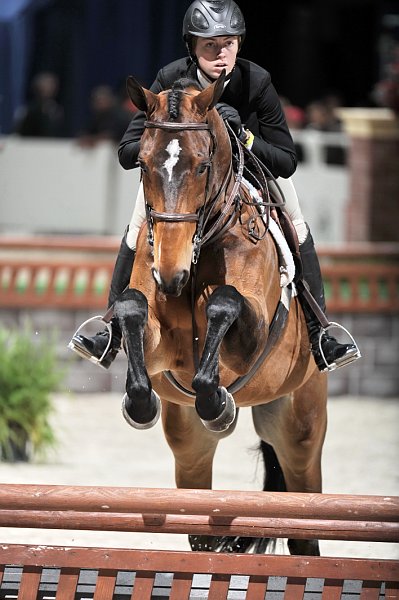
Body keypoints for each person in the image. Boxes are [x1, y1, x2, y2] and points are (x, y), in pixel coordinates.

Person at [69, 0, 360, 372]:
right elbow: (128, 151)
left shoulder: (257, 81)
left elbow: (287, 160)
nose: (223, 54)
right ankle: (109, 328)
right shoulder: (170, 79)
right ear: (192, 47)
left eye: (230, 43)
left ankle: (322, 331)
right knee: (137, 219)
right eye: (211, 45)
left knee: (295, 217)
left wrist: (245, 136)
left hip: (249, 172)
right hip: (182, 180)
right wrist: (162, 139)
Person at [14, 71, 66, 138]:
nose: (49, 89)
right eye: (45, 86)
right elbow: (19, 133)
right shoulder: (27, 111)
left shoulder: (56, 110)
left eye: (51, 85)